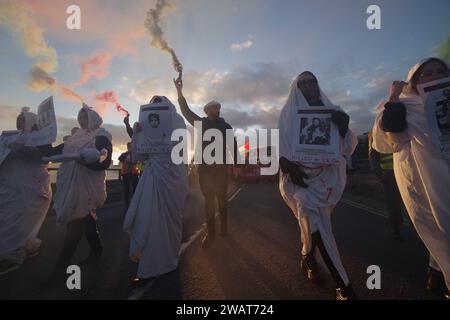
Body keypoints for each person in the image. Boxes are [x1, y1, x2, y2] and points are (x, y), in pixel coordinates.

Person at [372, 57, 450, 299]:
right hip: (423, 174)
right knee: (440, 224)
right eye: (428, 73)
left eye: (441, 71)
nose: (436, 75)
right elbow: (391, 136)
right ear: (414, 81)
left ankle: (435, 273)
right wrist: (394, 97)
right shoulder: (402, 104)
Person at [278, 71, 358, 300]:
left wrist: (343, 128)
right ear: (297, 87)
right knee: (318, 228)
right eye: (302, 83)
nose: (308, 86)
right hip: (299, 181)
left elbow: (347, 147)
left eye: (312, 81)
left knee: (313, 228)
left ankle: (306, 257)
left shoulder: (333, 110)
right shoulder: (287, 114)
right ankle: (344, 288)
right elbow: (283, 146)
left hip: (326, 180)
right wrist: (288, 167)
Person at [42, 105, 112, 289]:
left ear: (93, 118)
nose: (82, 120)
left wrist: (88, 162)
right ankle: (97, 250)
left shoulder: (101, 135)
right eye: (80, 117)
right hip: (73, 185)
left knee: (74, 229)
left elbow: (105, 160)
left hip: (86, 188)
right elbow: (52, 153)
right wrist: (40, 137)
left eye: (85, 117)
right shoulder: (76, 137)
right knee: (85, 220)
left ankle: (57, 274)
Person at [123, 96, 188, 287]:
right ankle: (148, 269)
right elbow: (139, 156)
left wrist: (160, 141)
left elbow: (179, 149)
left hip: (172, 177)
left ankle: (168, 262)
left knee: (169, 224)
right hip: (152, 177)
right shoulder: (145, 124)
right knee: (149, 220)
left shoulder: (177, 121)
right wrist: (137, 134)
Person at [174, 77, 238, 248]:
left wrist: (237, 165)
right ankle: (211, 233)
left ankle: (224, 227)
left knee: (222, 199)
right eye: (213, 107)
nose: (217, 110)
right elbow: (186, 111)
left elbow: (233, 145)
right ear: (207, 110)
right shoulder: (201, 124)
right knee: (208, 201)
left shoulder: (226, 126)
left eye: (218, 107)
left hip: (220, 169)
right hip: (205, 170)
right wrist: (179, 91)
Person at [0, 108, 52, 275]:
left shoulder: (38, 139)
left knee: (17, 219)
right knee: (8, 219)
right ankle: (26, 247)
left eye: (22, 120)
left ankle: (11, 257)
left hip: (29, 188)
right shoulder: (8, 137)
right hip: (9, 186)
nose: (19, 123)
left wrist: (21, 148)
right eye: (18, 119)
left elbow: (43, 157)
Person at [368, 131, 405, 239]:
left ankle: (419, 229)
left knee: (412, 201)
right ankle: (396, 228)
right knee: (393, 203)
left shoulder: (400, 126)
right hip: (389, 174)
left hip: (404, 170)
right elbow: (373, 155)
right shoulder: (375, 133)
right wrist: (379, 173)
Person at [118, 142, 140, 209]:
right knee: (126, 189)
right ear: (127, 147)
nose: (130, 147)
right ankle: (126, 202)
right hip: (126, 174)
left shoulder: (136, 155)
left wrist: (139, 171)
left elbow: (139, 163)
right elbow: (120, 159)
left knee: (135, 188)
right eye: (129, 146)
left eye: (131, 146)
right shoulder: (124, 154)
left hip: (134, 174)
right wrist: (126, 157)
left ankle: (134, 201)